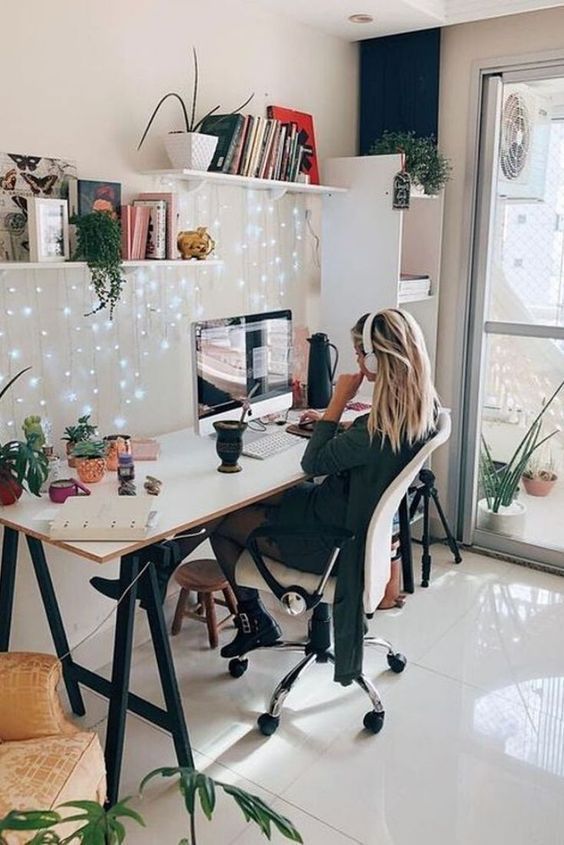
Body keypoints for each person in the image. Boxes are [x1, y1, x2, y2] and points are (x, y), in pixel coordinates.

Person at [91, 309, 438, 683]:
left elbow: (314, 461)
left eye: (359, 354)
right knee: (232, 494)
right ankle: (159, 571)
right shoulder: (420, 412)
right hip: (345, 520)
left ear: (376, 359)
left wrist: (338, 401)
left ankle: (247, 616)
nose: (356, 361)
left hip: (330, 542)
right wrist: (338, 425)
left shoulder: (374, 431)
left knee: (221, 519)